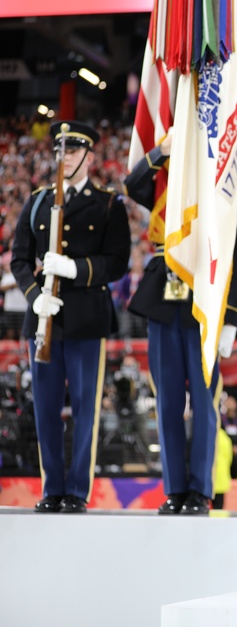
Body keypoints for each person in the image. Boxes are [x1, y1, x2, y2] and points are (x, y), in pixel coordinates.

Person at [123, 132, 237, 515]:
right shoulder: (166, 182)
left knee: (205, 404)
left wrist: (230, 317)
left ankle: (199, 490)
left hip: (204, 304)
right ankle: (175, 488)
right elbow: (133, 184)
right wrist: (162, 151)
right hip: (164, 302)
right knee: (169, 401)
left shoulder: (227, 191)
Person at [10, 120, 130, 514]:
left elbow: (116, 263)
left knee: (84, 408)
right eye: (61, 150)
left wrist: (74, 268)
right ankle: (52, 488)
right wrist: (34, 298)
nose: (66, 157)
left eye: (74, 151)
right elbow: (19, 260)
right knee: (44, 408)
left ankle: (77, 490)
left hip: (85, 319)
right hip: (45, 319)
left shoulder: (108, 204)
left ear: (90, 156)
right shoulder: (38, 201)